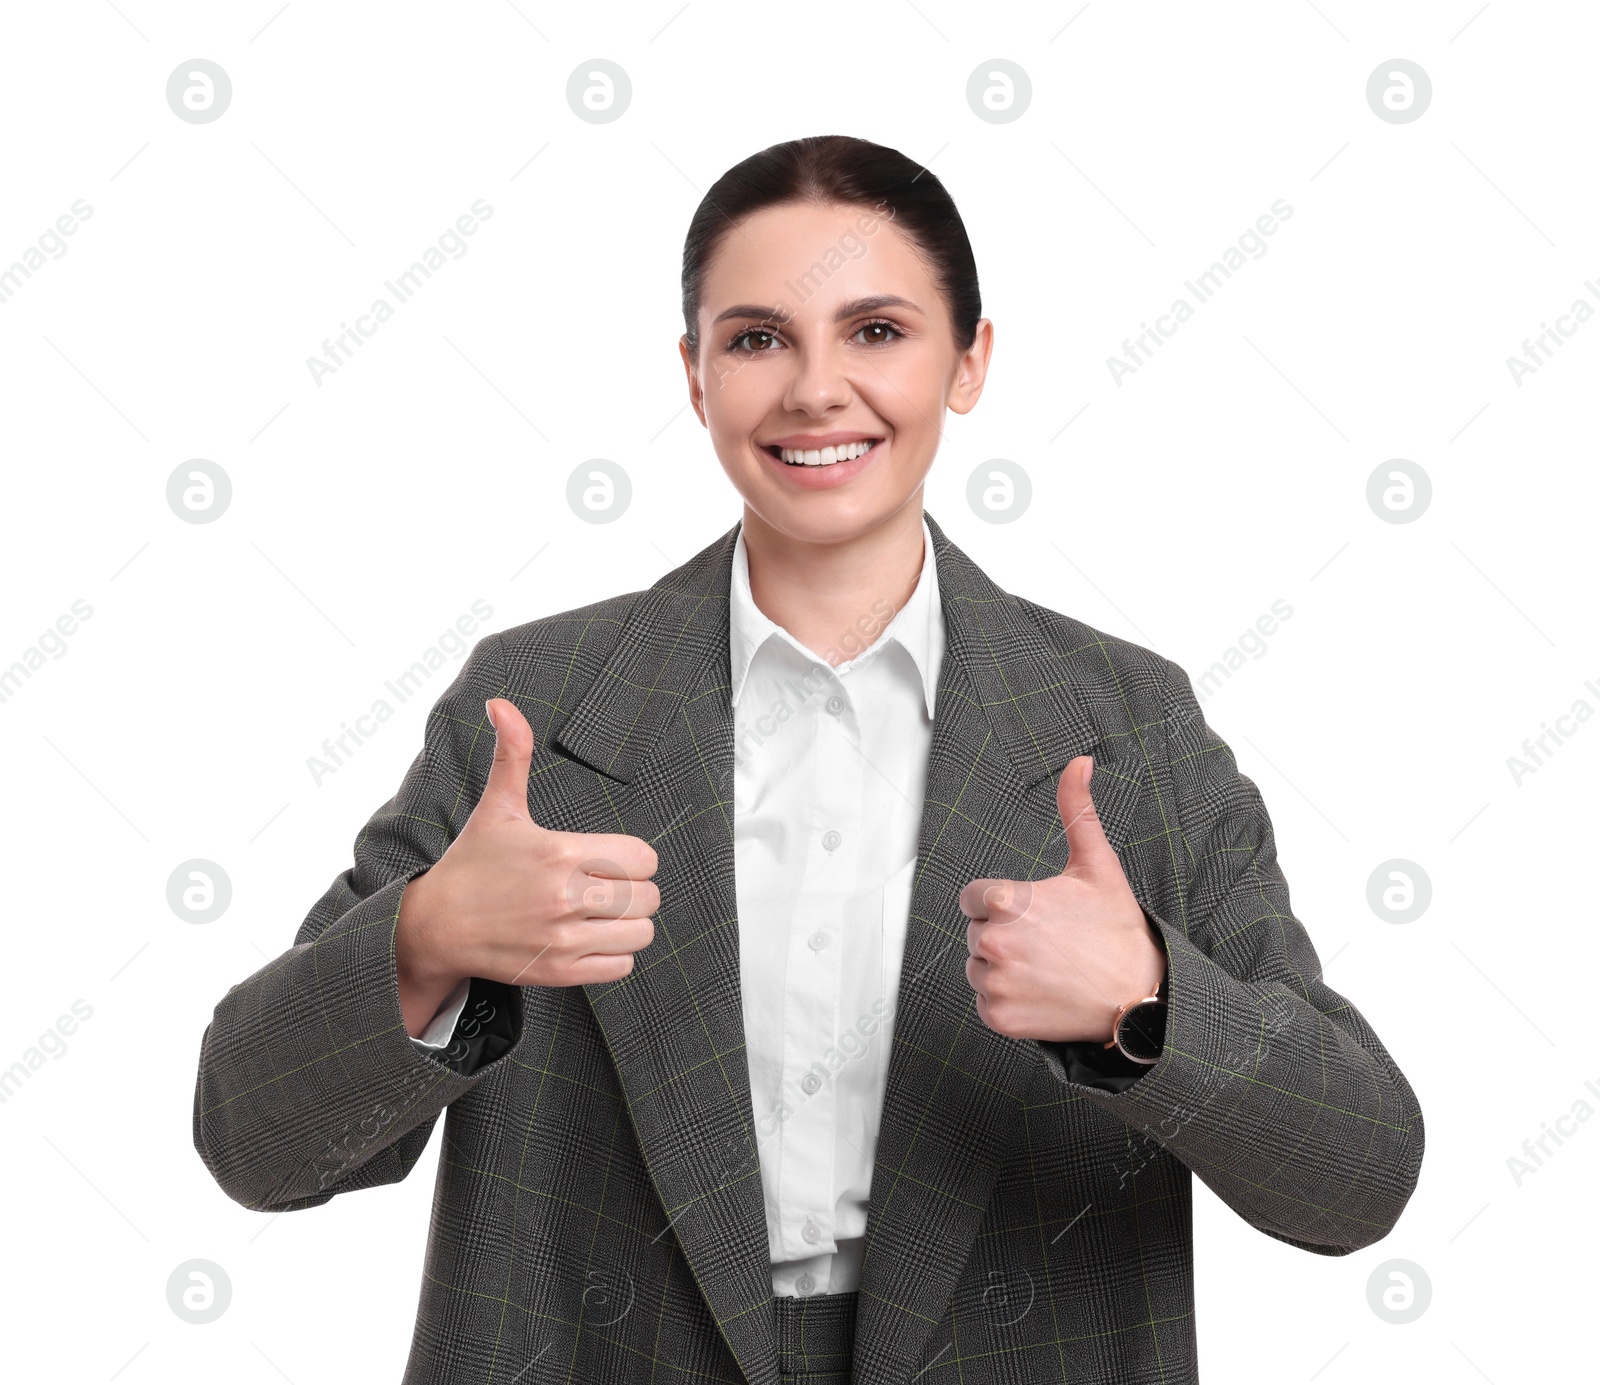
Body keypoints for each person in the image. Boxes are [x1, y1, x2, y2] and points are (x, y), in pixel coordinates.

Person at [192, 134, 1424, 1384]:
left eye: (878, 330)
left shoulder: (1128, 722)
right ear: (693, 374)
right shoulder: (536, 708)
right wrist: (424, 939)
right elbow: (257, 1144)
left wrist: (1150, 1002)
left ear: (970, 360)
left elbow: (1355, 1178)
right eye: (757, 338)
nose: (815, 390)